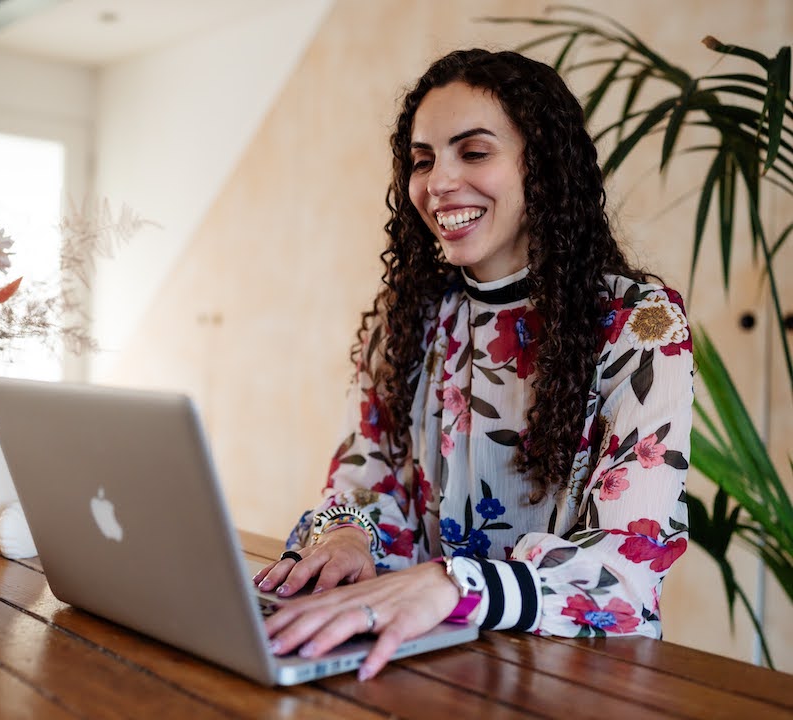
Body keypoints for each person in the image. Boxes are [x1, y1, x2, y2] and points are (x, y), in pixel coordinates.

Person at [253, 48, 693, 681]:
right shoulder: (406, 320)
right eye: (423, 160)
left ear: (541, 166)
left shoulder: (641, 323)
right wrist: (347, 534)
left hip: (578, 677)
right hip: (420, 660)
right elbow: (365, 473)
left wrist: (451, 584)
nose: (437, 183)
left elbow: (626, 568)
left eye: (475, 152)